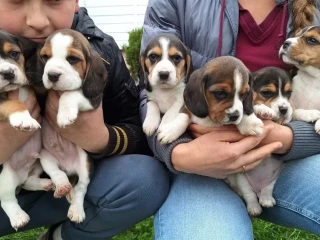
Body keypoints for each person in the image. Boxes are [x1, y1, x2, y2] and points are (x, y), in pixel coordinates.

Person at [140, 0, 320, 239]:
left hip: (286, 161)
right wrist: (176, 153)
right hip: (199, 169)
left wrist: (289, 139)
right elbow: (153, 91)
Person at [0, 1, 169, 240]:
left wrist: (101, 138)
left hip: (65, 177)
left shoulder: (100, 50)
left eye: (54, 0)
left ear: (76, 2)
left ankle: (59, 236)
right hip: (6, 187)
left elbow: (138, 131)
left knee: (145, 180)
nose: (37, 21)